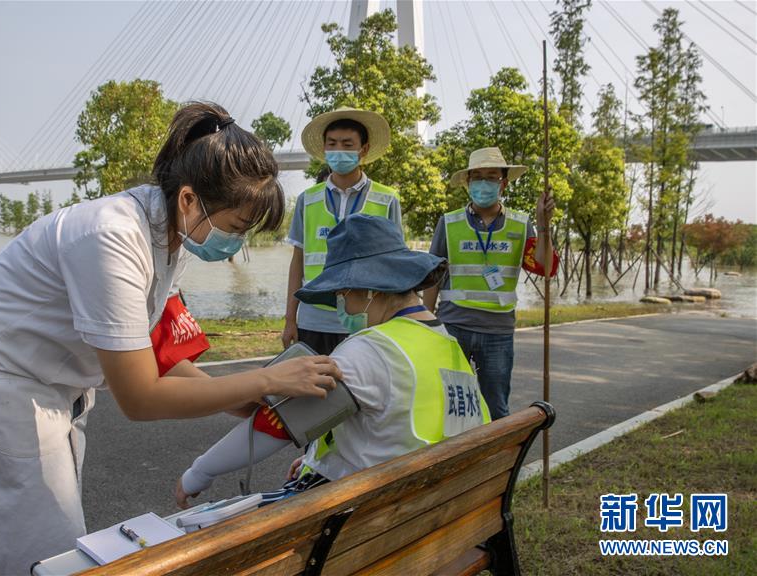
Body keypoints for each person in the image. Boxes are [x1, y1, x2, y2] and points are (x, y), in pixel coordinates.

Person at [0, 102, 342, 576]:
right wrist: (261, 378)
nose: (236, 243)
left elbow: (157, 354)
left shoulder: (172, 232)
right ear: (189, 199)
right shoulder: (111, 235)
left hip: (42, 379)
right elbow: (140, 396)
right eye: (235, 228)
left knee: (31, 534)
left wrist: (238, 394)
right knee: (32, 541)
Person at [176, 215, 490, 509]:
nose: (339, 304)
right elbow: (394, 428)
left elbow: (273, 428)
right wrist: (321, 458)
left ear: (368, 288)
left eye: (341, 292)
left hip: (365, 517)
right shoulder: (447, 343)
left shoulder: (372, 350)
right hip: (432, 504)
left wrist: (198, 473)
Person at [423, 147, 557, 420]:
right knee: (448, 404)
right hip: (453, 325)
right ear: (468, 183)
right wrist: (427, 323)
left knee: (496, 407)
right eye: (477, 177)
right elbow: (432, 277)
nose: (484, 183)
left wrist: (544, 224)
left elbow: (544, 266)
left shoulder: (522, 224)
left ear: (503, 183)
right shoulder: (448, 222)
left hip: (498, 330)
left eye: (491, 177)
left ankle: (497, 460)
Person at [282, 107, 403, 355]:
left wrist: (396, 318)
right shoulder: (308, 199)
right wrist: (290, 319)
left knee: (360, 392)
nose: (339, 151)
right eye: (332, 144)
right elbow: (298, 262)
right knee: (316, 389)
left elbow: (396, 264)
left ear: (364, 149)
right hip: (314, 320)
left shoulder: (387, 199)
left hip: (368, 319)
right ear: (324, 149)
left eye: (348, 144)